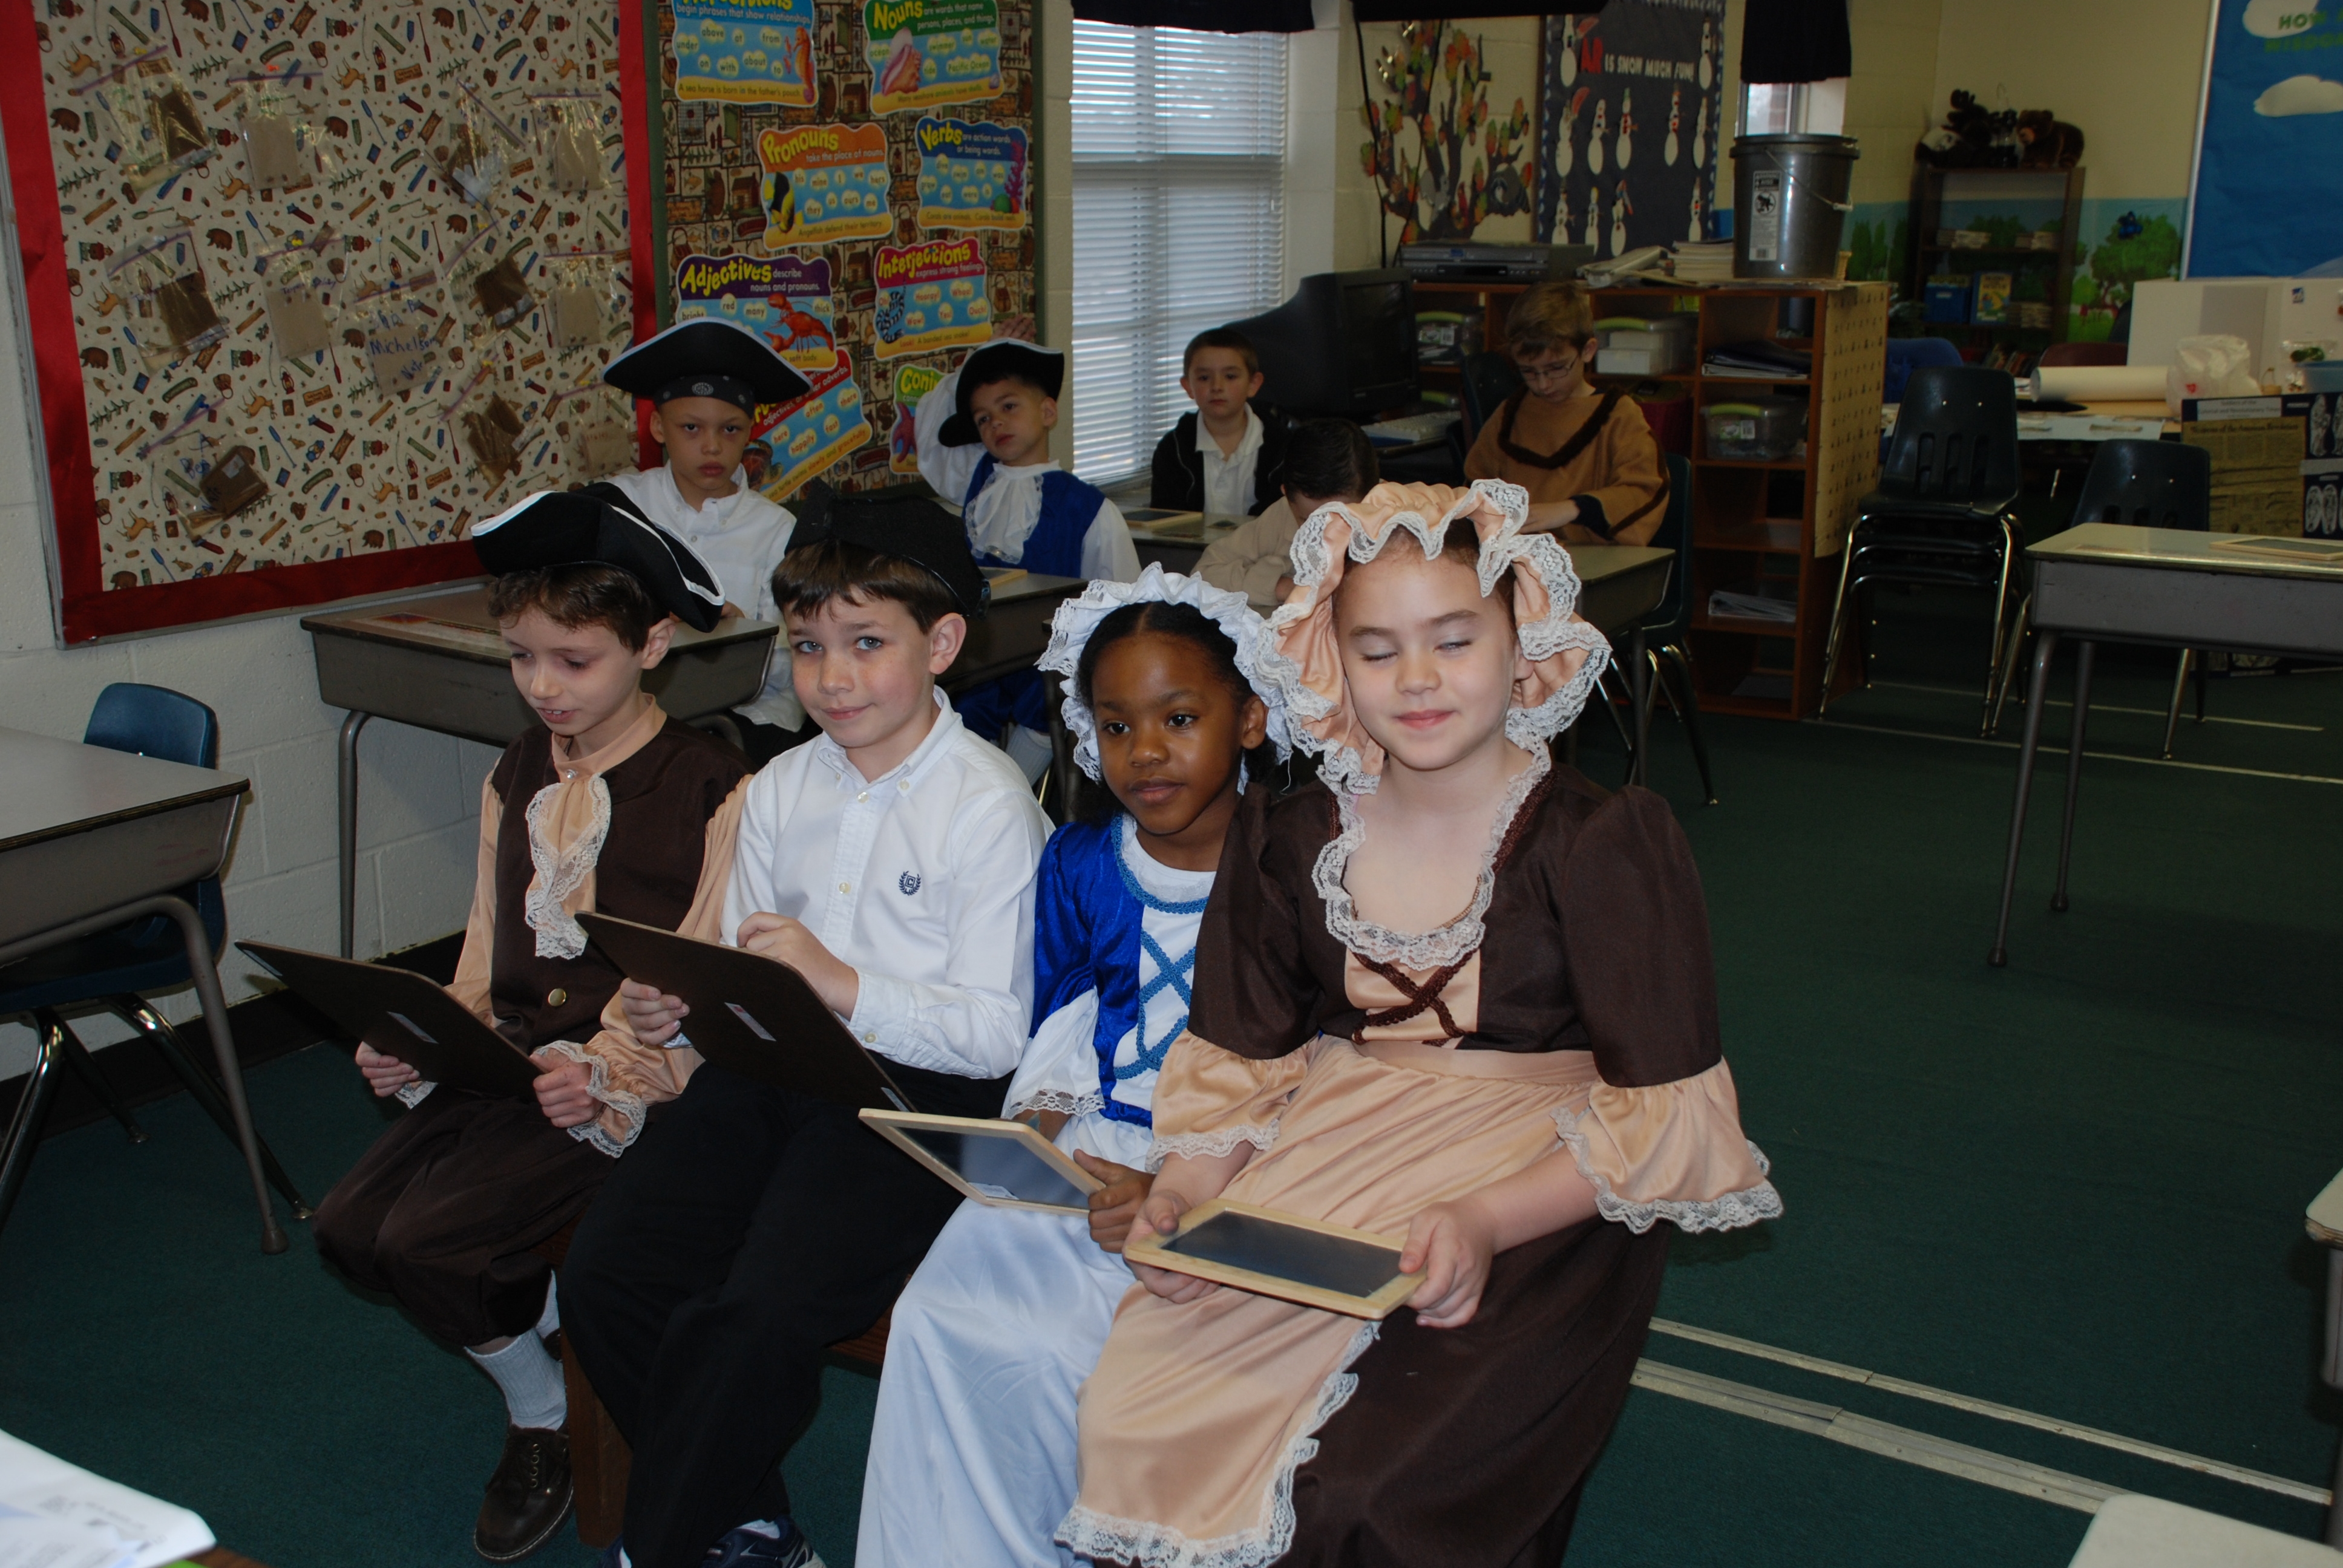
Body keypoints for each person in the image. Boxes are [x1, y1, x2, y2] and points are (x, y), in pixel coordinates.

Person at [1060, 481, 1780, 1567]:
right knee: (1137, 1410)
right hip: (1339, 1151)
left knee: (1367, 1492)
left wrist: (1485, 1220)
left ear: (1521, 644)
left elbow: (1665, 1110)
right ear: (1331, 661)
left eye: (1453, 640)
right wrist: (1187, 1190)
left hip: (1542, 1186)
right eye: (1378, 649)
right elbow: (1246, 1051)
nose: (1418, 679)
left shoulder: (1599, 841)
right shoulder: (1291, 835)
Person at [559, 492, 1054, 1568]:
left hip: (919, 1103)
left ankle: (665, 1543)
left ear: (942, 644)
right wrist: (675, 1011)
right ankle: (749, 1520)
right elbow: (745, 973)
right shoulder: (780, 786)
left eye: (868, 643)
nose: (833, 677)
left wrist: (843, 983)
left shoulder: (990, 806)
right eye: (810, 645)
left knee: (757, 1312)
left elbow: (997, 1036)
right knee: (606, 1273)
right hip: (774, 1071)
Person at [310, 489, 751, 1564]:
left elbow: (704, 977)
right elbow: (483, 941)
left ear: (653, 644)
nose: (544, 687)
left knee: (426, 1241)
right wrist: (426, 1037)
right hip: (506, 1066)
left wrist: (610, 1075)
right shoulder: (515, 769)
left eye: (574, 660)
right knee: (349, 1231)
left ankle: (540, 1414)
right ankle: (545, 1333)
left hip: (627, 1084)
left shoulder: (713, 786)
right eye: (521, 657)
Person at [857, 564, 1297, 1568]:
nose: (1146, 751)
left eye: (1179, 718)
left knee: (1064, 1354)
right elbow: (1063, 1013)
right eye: (1115, 725)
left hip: (1237, 1163)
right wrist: (1035, 1148)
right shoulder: (1082, 860)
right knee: (939, 1313)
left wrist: (1173, 1186)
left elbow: (1315, 1058)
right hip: (1094, 1146)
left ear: (1250, 719)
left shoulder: (1293, 868)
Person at [914, 338, 1139, 780]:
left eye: (1009, 406)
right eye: (983, 418)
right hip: (979, 651)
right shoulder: (976, 482)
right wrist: (978, 356)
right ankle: (963, 789)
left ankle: (1009, 787)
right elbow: (931, 439)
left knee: (1046, 702)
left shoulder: (1089, 508)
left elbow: (1124, 597)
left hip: (1046, 654)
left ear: (1048, 412)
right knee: (961, 702)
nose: (996, 422)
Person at [600, 317, 817, 766]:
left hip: (750, 723)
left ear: (751, 430)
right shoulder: (622, 505)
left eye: (730, 429)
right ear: (658, 427)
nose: (713, 446)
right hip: (639, 716)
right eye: (691, 428)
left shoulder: (778, 530)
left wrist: (738, 639)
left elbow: (796, 659)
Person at [1463, 281, 1670, 546]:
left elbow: (1643, 491)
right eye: (1529, 371)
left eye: (1556, 368)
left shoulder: (1618, 415)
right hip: (1520, 555)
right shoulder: (1510, 415)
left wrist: (1573, 509)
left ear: (1588, 351)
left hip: (1595, 559)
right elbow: (1475, 488)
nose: (1543, 384)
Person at [1196, 417, 1379, 613]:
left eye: (1341, 520)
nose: (1326, 534)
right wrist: (1282, 587)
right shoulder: (1283, 515)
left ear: (1373, 496)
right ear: (1286, 495)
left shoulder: (1397, 524)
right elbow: (1203, 574)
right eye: (1309, 522)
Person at [1148, 327, 1291, 518]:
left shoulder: (1285, 447)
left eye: (1230, 377)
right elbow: (1165, 521)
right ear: (1188, 386)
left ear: (1253, 384)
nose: (1217, 387)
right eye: (1204, 378)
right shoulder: (1173, 449)